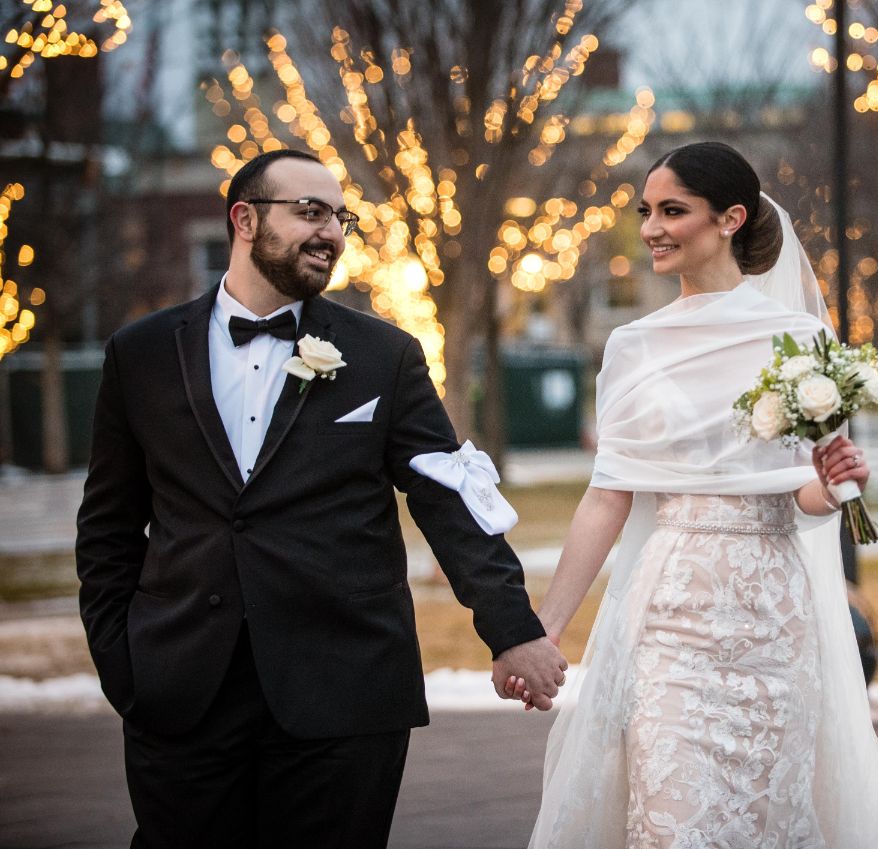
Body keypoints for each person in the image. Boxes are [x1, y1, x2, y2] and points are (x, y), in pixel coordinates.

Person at [75, 148, 567, 849]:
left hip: (344, 690)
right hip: (181, 691)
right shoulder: (141, 352)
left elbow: (447, 500)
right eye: (309, 211)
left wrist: (512, 627)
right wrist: (124, 664)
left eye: (340, 216)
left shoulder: (383, 355)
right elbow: (107, 529)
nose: (331, 231)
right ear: (244, 219)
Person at [512, 142, 878, 847]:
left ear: (730, 218)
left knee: (765, 820)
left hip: (774, 618)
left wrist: (839, 485)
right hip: (671, 616)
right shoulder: (632, 345)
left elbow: (800, 498)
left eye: (672, 210)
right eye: (646, 211)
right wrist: (547, 629)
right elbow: (607, 497)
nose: (651, 227)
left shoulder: (802, 339)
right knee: (672, 821)